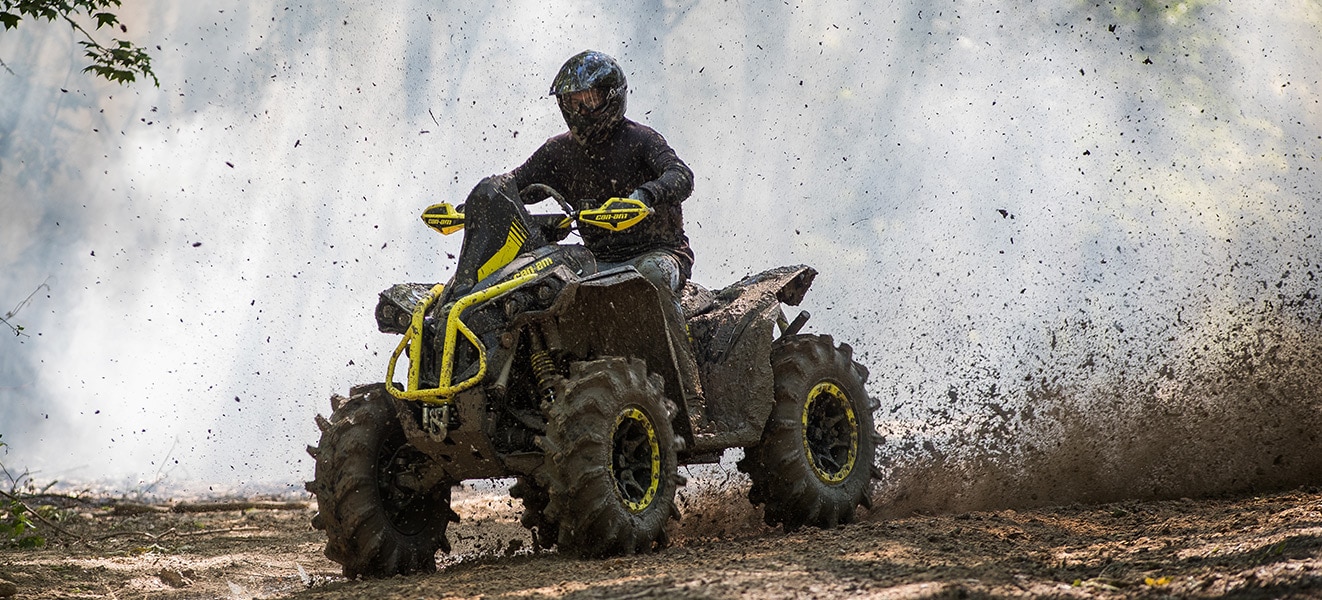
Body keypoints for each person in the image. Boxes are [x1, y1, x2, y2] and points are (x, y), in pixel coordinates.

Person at [461, 49, 702, 402]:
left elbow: (681, 175)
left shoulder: (641, 140)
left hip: (658, 253)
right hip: (594, 260)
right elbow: (515, 185)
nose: (580, 110)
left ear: (612, 97)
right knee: (535, 286)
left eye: (588, 100)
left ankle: (690, 391)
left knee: (650, 278)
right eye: (572, 101)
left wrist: (644, 195)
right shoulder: (557, 151)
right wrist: (476, 205)